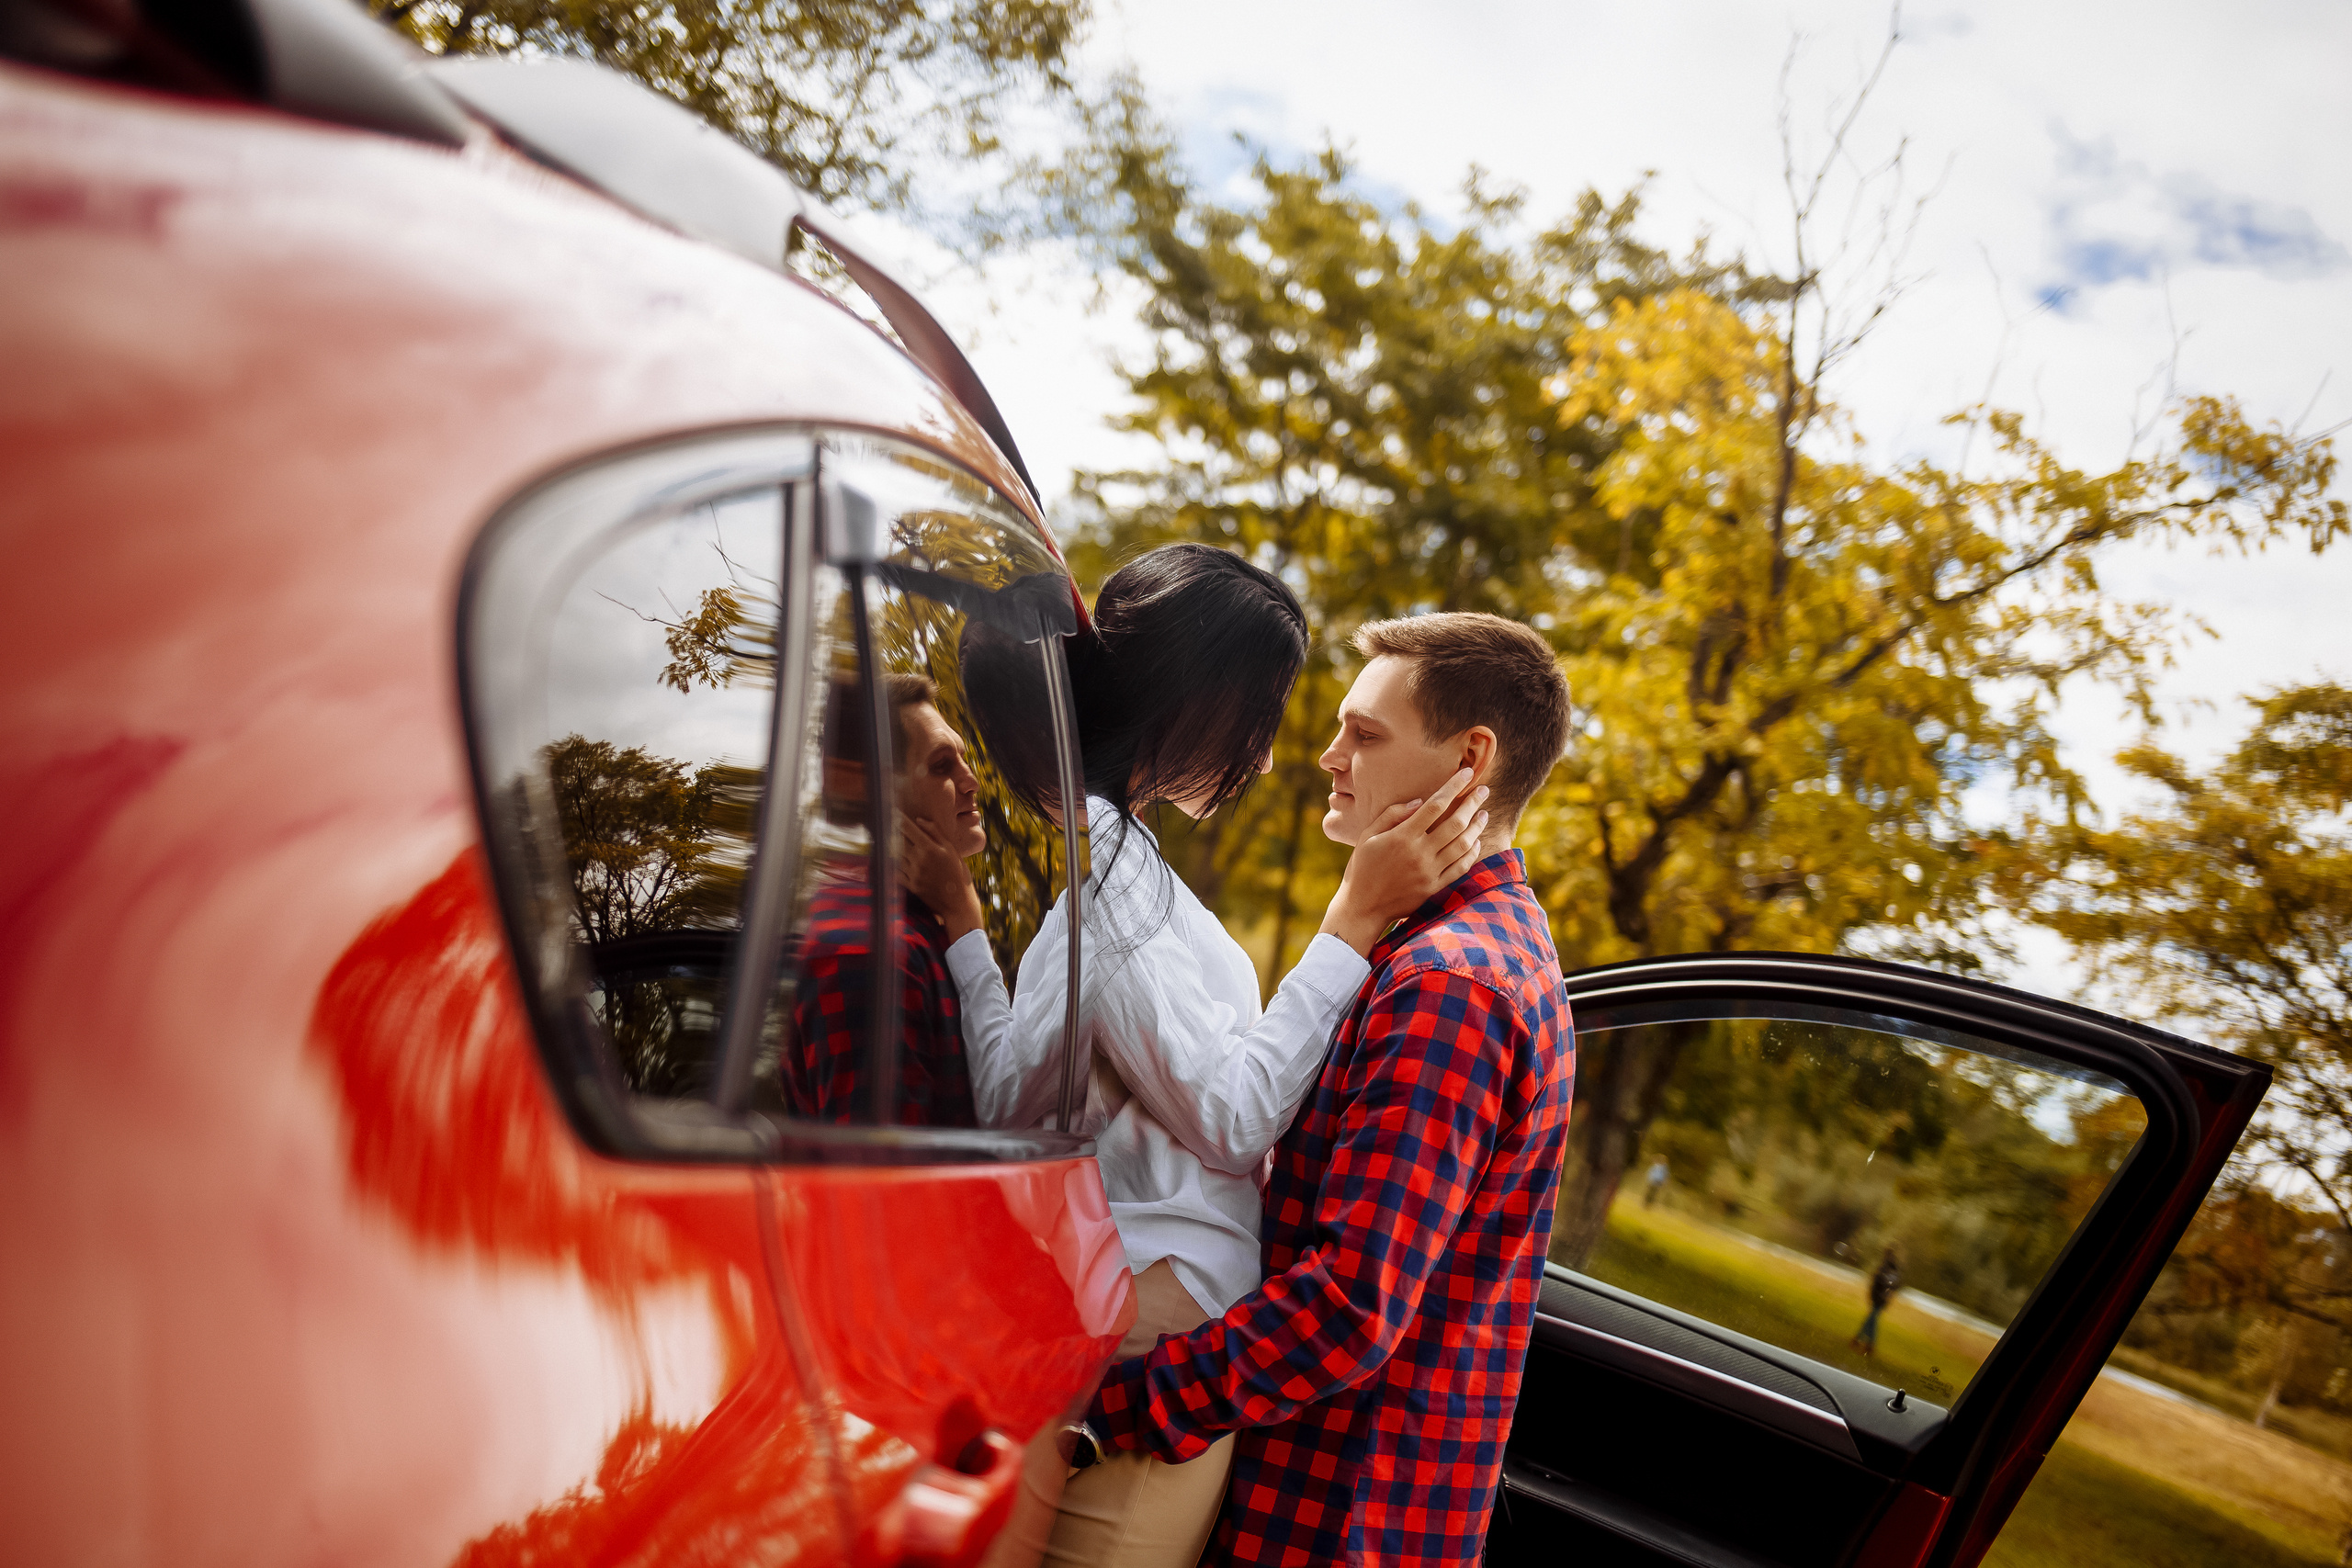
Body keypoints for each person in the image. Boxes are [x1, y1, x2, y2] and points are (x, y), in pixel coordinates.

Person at [909, 546, 1487, 1568]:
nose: (1266, 760)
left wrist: (962, 929)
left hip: (1126, 1316)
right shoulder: (1110, 884)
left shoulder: (1112, 862)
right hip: (1154, 1319)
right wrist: (1351, 921)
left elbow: (1006, 1100)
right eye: (1263, 719)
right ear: (1203, 702)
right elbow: (1231, 1117)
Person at [1070, 611, 1577, 1568]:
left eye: (1366, 734)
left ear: (1470, 760)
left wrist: (1114, 1405)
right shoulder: (1462, 948)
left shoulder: (1449, 985)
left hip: (1333, 1514)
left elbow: (1350, 1303)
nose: (1328, 756)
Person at [787, 673, 985, 1125]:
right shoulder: (871, 955)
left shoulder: (913, 929)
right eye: (942, 766)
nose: (971, 781)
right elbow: (880, 1167)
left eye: (963, 759)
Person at [1854, 1247, 1903, 1359]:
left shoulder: (1887, 1268)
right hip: (1879, 1297)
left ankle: (1866, 1342)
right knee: (1872, 1319)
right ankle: (1862, 1340)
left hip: (1880, 1297)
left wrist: (1884, 1294)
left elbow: (1886, 1283)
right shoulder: (1888, 1268)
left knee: (1872, 1319)